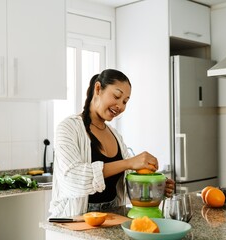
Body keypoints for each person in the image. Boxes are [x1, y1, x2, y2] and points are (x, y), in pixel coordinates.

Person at [49, 69, 175, 218]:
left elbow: (129, 179)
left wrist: (155, 186)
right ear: (98, 89)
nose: (120, 106)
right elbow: (73, 179)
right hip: (74, 222)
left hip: (113, 218)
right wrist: (128, 163)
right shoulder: (68, 128)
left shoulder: (115, 135)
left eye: (125, 102)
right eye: (116, 96)